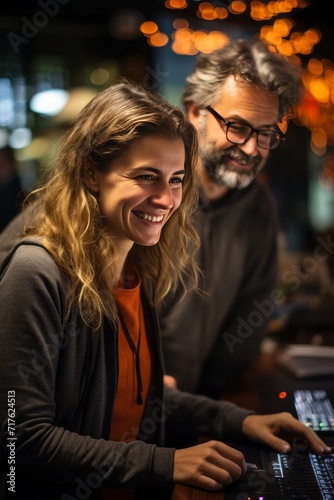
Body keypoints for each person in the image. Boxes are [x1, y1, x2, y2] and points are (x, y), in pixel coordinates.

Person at [0, 79, 331, 500]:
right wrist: (166, 462)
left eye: (175, 179)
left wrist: (239, 421)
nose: (166, 198)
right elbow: (19, 441)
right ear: (89, 173)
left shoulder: (137, 270)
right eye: (146, 177)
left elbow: (145, 404)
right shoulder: (36, 272)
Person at [159, 36, 305, 397]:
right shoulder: (146, 189)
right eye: (237, 127)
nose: (252, 147)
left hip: (196, 417)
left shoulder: (257, 205)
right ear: (194, 111)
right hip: (113, 423)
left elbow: (246, 327)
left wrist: (210, 418)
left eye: (266, 132)